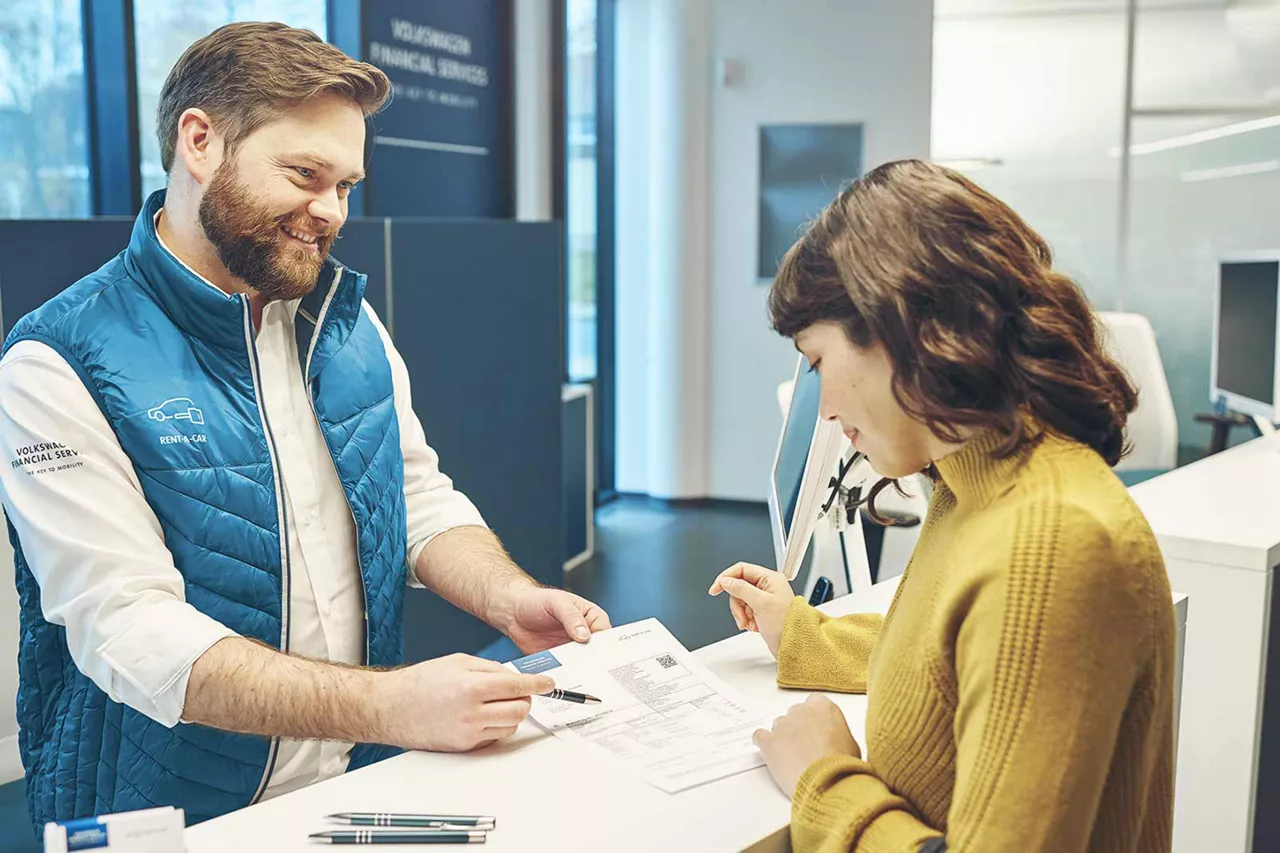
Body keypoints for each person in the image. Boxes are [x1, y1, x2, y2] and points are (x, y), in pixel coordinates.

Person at [0, 22, 609, 830]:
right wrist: (393, 704)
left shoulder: (345, 325)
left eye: (347, 185)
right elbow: (132, 631)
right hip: (165, 817)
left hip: (353, 787)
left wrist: (510, 597)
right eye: (304, 174)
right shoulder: (58, 360)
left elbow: (415, 498)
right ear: (200, 141)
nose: (329, 212)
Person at [710, 160, 1175, 852]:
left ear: (898, 327)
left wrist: (826, 779)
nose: (827, 409)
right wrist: (802, 635)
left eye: (817, 362)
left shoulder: (1052, 542)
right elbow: (949, 657)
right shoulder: (974, 484)